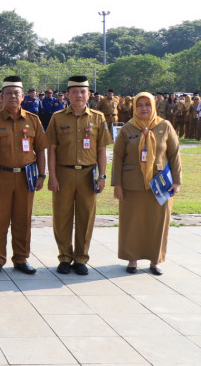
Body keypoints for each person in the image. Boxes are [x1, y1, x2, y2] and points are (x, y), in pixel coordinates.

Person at [0, 76, 48, 275]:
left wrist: (42, 175)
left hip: (26, 177)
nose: (13, 96)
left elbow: (41, 149)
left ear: (23, 96)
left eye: (17, 93)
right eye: (9, 93)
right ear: (2, 96)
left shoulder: (33, 120)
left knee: (23, 219)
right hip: (0, 176)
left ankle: (21, 258)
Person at [112, 92, 181, 275]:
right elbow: (118, 158)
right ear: (135, 107)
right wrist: (117, 184)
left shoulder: (164, 126)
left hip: (160, 185)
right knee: (131, 222)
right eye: (140, 105)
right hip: (131, 185)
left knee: (158, 223)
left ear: (153, 106)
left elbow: (174, 156)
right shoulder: (127, 128)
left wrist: (177, 182)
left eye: (147, 105)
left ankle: (155, 260)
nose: (144, 108)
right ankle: (132, 259)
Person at [46, 76, 109, 275]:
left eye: (83, 91)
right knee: (62, 216)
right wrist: (52, 176)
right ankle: (64, 257)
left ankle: (81, 258)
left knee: (86, 217)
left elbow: (101, 150)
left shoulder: (98, 117)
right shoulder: (57, 117)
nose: (79, 95)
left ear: (88, 94)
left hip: (88, 174)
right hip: (64, 173)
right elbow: (52, 149)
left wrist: (102, 176)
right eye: (74, 92)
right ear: (67, 95)